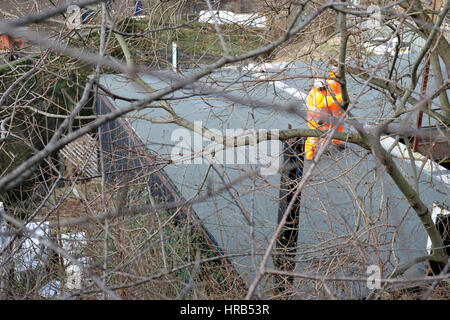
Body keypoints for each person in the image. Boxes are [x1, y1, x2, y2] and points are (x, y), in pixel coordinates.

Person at [305, 78, 343, 161]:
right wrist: (340, 97)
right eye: (324, 87)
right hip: (316, 120)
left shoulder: (317, 92)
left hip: (321, 118)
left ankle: (324, 148)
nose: (325, 88)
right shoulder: (318, 95)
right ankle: (309, 156)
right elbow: (326, 102)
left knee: (326, 133)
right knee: (313, 138)